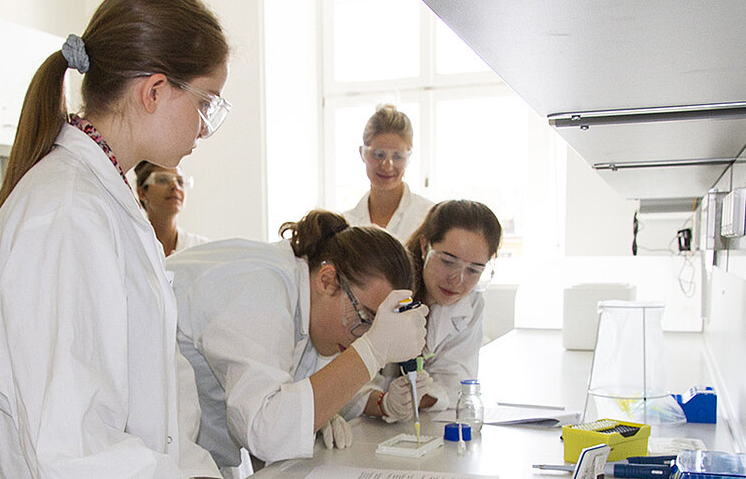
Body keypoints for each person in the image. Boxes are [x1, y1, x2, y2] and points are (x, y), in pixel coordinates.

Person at [0, 0, 231, 476]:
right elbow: (74, 449)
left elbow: (162, 412)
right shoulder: (66, 213)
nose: (204, 129)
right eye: (206, 103)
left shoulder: (105, 200)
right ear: (154, 91)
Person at [166, 210, 428, 472]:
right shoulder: (261, 289)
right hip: (154, 450)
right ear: (327, 281)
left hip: (191, 451)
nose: (361, 335)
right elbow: (265, 430)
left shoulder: (306, 306)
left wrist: (377, 403)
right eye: (366, 318)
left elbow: (310, 381)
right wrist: (374, 349)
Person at [358, 200, 502, 423]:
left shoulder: (471, 303)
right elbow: (349, 377)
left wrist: (418, 397)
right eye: (447, 261)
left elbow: (458, 382)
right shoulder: (387, 289)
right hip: (360, 423)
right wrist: (385, 402)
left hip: (412, 424)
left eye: (474, 270)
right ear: (425, 247)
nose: (458, 279)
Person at [343, 104, 434, 243]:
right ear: (362, 153)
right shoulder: (347, 222)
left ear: (409, 158)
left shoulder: (428, 217)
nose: (387, 166)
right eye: (378, 155)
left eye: (397, 156)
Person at [135, 160, 209, 256]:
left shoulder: (202, 249)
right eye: (163, 180)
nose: (175, 186)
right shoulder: (130, 247)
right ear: (142, 193)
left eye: (180, 181)